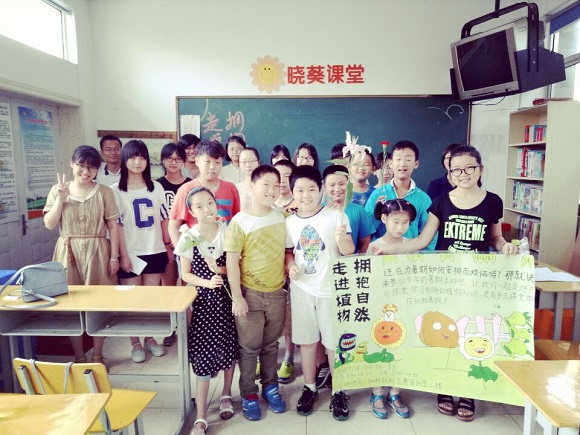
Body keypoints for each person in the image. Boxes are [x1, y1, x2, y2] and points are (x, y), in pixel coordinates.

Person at [371, 145, 519, 422]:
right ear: (449, 174)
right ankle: (445, 389)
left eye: (469, 168)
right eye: (456, 170)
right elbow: (422, 240)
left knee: (472, 331)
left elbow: (495, 237)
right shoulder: (440, 202)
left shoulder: (493, 202)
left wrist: (505, 246)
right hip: (445, 281)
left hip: (476, 280)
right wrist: (389, 249)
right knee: (445, 334)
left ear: (480, 170)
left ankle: (468, 392)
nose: (463, 174)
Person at [285, 165, 355, 421]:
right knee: (306, 341)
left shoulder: (336, 216)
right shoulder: (289, 222)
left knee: (334, 343)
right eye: (300, 190)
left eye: (312, 189)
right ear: (292, 192)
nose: (306, 195)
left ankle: (339, 390)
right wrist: (290, 266)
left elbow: (348, 250)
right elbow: (289, 252)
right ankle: (310, 387)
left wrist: (342, 237)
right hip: (302, 289)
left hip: (331, 290)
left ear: (321, 190)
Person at [43, 145, 120, 365]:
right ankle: (78, 355)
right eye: (81, 166)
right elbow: (49, 224)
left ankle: (97, 354)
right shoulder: (58, 190)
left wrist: (114, 257)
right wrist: (60, 198)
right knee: (71, 305)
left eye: (91, 167)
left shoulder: (104, 192)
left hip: (99, 250)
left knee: (100, 304)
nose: (86, 172)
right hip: (67, 251)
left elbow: (113, 226)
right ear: (72, 164)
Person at [225, 165, 287, 421]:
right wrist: (237, 297)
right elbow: (231, 260)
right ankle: (248, 393)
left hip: (277, 293)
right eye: (266, 185)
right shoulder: (239, 221)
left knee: (271, 345)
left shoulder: (281, 217)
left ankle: (270, 387)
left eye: (276, 186)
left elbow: (288, 251)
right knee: (249, 348)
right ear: (252, 186)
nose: (272, 191)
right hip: (249, 294)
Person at [173, 186, 237, 435]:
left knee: (229, 349)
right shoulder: (189, 237)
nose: (206, 209)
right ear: (191, 212)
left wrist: (219, 270)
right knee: (203, 356)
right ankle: (201, 415)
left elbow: (236, 266)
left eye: (210, 203)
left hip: (228, 300)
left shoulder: (227, 231)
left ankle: (226, 394)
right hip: (203, 304)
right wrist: (207, 282)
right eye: (199, 206)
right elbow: (185, 274)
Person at [112, 140, 172, 363]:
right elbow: (116, 227)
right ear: (125, 159)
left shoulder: (156, 187)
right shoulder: (115, 191)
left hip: (154, 249)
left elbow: (164, 219)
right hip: (131, 252)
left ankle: (149, 338)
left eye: (142, 157)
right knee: (132, 300)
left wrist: (167, 246)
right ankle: (134, 342)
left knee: (150, 299)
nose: (137, 162)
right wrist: (123, 255)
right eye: (133, 157)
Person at [366, 199, 417, 419]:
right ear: (384, 218)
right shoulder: (374, 246)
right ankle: (377, 392)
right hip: (379, 307)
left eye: (405, 222)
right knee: (379, 347)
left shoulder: (411, 245)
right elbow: (366, 278)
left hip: (404, 305)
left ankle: (395, 392)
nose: (400, 227)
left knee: (401, 348)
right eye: (396, 221)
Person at [364, 140, 436, 250]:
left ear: (416, 164)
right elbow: (365, 230)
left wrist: (421, 257)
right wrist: (376, 211)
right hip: (380, 254)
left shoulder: (423, 199)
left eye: (408, 159)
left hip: (411, 256)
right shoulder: (378, 193)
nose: (402, 164)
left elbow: (430, 236)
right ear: (391, 164)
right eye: (398, 159)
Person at [168, 139, 241, 248]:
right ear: (197, 161)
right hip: (197, 249)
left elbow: (236, 223)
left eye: (217, 162)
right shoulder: (186, 189)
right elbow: (173, 226)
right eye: (207, 162)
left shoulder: (231, 188)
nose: (212, 167)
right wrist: (183, 252)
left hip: (225, 248)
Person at [156, 142, 192, 346]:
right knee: (169, 288)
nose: (173, 162)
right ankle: (172, 328)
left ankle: (188, 329)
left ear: (184, 161)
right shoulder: (156, 185)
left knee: (187, 289)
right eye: (169, 158)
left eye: (178, 158)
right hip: (165, 244)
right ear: (163, 161)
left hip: (189, 244)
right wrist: (167, 243)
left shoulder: (191, 185)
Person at [272, 159, 298, 384]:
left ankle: (289, 356)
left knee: (290, 315)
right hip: (270, 268)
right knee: (270, 316)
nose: (282, 180)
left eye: (288, 175)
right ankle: (267, 356)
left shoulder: (300, 202)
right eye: (278, 175)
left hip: (294, 267)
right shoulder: (266, 203)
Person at [323, 165, 374, 253]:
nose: (337, 189)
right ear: (324, 187)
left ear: (349, 185)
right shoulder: (319, 210)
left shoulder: (359, 211)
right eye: (332, 185)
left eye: (342, 184)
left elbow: (366, 243)